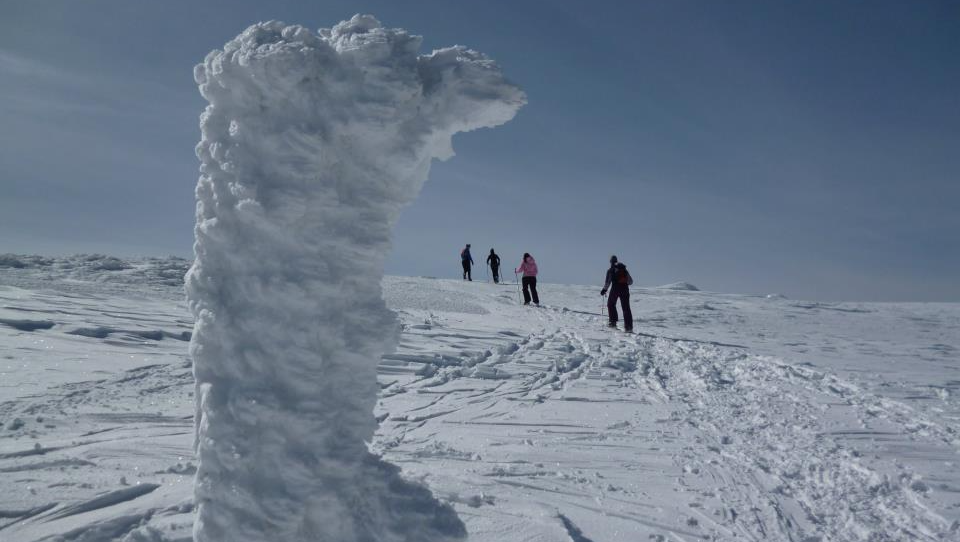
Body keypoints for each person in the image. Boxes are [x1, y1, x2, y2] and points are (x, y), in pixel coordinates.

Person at [601, 255, 634, 332]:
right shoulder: (624, 269)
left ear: (610, 262)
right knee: (626, 308)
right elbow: (631, 282)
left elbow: (607, 282)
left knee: (611, 304)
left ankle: (613, 322)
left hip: (615, 289)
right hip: (625, 289)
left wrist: (604, 290)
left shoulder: (610, 270)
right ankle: (629, 327)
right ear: (616, 261)